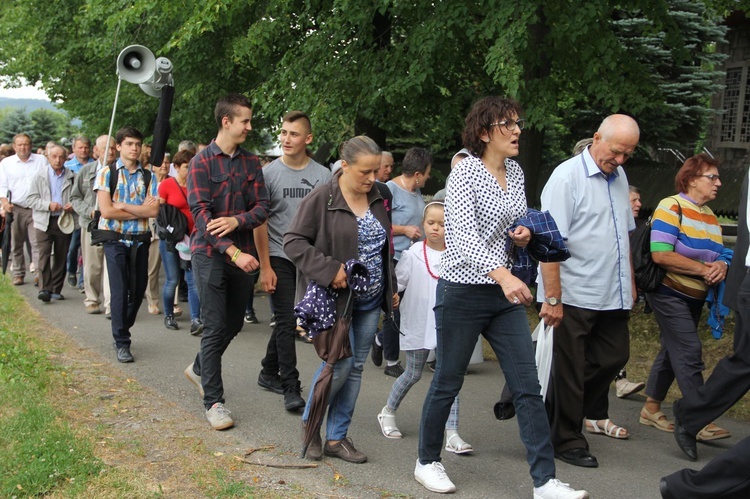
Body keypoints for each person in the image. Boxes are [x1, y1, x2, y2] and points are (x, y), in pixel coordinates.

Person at [415, 96, 588, 499]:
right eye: (506, 124)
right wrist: (503, 275)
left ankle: (544, 482)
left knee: (527, 384)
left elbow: (512, 221)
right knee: (447, 380)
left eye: (517, 122)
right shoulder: (464, 174)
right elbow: (462, 237)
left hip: (502, 293)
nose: (516, 130)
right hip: (462, 291)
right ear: (483, 133)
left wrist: (522, 233)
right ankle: (427, 461)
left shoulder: (515, 170)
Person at [285, 135, 398, 464]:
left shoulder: (377, 195)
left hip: (370, 301)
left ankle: (337, 437)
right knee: (338, 365)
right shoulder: (323, 197)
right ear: (344, 166)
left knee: (357, 367)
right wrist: (329, 269)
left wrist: (389, 284)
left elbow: (381, 245)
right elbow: (293, 242)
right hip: (337, 301)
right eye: (365, 171)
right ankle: (311, 425)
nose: (372, 178)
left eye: (375, 171)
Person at [537, 114, 639, 467]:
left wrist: (630, 281)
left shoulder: (620, 176)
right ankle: (565, 440)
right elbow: (548, 242)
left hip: (613, 290)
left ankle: (555, 406)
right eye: (616, 151)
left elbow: (623, 233)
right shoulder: (567, 177)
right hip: (574, 291)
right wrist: (552, 298)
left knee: (614, 356)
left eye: (628, 154)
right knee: (569, 368)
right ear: (596, 138)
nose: (621, 160)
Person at [183, 94, 269, 431]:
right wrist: (233, 251)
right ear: (226, 122)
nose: (249, 126)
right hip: (211, 256)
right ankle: (214, 402)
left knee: (234, 324)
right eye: (245, 120)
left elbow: (263, 208)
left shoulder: (251, 162)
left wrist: (236, 221)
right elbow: (202, 217)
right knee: (216, 324)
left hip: (244, 255)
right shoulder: (201, 163)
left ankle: (199, 366)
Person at [639, 154, 732, 442]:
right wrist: (705, 269)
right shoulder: (671, 206)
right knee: (689, 351)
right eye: (711, 177)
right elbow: (661, 253)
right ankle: (698, 418)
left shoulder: (710, 216)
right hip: (668, 292)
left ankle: (651, 408)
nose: (718, 183)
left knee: (672, 350)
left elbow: (724, 253)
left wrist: (723, 264)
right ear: (692, 180)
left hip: (694, 298)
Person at [377, 202, 472, 452]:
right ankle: (387, 412)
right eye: (431, 223)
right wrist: (392, 296)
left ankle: (451, 432)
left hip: (449, 322)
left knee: (449, 377)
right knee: (413, 373)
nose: (436, 228)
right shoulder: (414, 254)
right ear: (423, 224)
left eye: (442, 224)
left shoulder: (459, 254)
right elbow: (397, 284)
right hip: (420, 320)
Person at [255, 111, 331, 411]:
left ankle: (267, 371)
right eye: (284, 133)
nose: (286, 139)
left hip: (308, 258)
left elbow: (326, 220)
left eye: (294, 134)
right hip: (278, 254)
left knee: (289, 319)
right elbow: (260, 223)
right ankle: (290, 385)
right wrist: (265, 266)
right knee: (287, 320)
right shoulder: (268, 174)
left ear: (308, 139)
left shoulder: (323, 176)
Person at [95, 126, 160, 363]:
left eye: (138, 144)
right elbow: (106, 211)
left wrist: (122, 206)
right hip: (114, 239)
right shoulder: (107, 173)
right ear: (119, 146)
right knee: (120, 290)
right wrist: (138, 211)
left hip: (140, 241)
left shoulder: (149, 176)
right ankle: (122, 341)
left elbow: (153, 210)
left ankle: (122, 324)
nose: (134, 148)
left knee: (138, 288)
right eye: (129, 144)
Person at [372, 147, 431, 378]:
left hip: (413, 260)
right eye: (427, 172)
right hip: (393, 258)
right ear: (417, 173)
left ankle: (379, 340)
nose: (428, 176)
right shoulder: (389, 190)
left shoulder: (415, 192)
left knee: (404, 309)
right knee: (394, 308)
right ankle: (392, 361)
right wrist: (404, 229)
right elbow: (377, 222)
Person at [158, 149, 202, 335]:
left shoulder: (197, 185)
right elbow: (160, 212)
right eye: (186, 167)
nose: (190, 170)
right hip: (171, 238)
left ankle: (196, 319)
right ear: (176, 167)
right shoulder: (167, 185)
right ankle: (169, 314)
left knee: (192, 280)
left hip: (191, 238)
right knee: (173, 279)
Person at [70, 135, 114, 315]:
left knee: (112, 265)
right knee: (93, 266)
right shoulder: (86, 171)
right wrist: (88, 210)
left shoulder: (119, 171)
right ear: (96, 151)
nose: (109, 152)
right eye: (105, 148)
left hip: (113, 224)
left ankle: (111, 304)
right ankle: (92, 298)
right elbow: (75, 198)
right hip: (91, 224)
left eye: (112, 148)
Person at [26, 144, 75, 302]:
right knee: (44, 254)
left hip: (64, 220)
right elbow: (31, 199)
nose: (58, 160)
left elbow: (77, 197)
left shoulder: (72, 176)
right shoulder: (39, 175)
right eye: (54, 156)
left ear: (66, 158)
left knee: (61, 255)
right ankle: (44, 288)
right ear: (48, 157)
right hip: (43, 220)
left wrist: (72, 205)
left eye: (61, 157)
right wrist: (48, 205)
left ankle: (56, 289)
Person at [0, 133, 49, 285]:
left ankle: (39, 274)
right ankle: (18, 273)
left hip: (36, 207)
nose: (23, 147)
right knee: (16, 243)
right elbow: (2, 186)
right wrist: (5, 203)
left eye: (26, 144)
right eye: (19, 145)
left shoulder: (41, 160)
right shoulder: (6, 163)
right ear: (14, 146)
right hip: (16, 208)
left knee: (37, 242)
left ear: (31, 145)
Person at [64, 135, 93, 290]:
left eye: (86, 147)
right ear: (73, 149)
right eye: (80, 147)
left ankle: (83, 280)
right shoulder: (67, 166)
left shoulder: (95, 165)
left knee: (85, 248)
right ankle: (71, 270)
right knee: (74, 245)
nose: (83, 150)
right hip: (71, 211)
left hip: (87, 211)